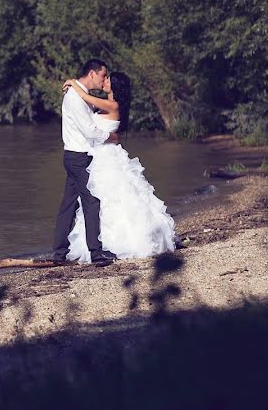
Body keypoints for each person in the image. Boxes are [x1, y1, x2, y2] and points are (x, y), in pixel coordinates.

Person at [63, 71, 177, 263]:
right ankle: (98, 244)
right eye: (104, 77)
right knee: (102, 200)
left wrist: (73, 83)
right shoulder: (107, 104)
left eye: (108, 79)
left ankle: (112, 244)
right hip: (100, 156)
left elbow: (84, 96)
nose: (104, 81)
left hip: (106, 158)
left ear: (114, 85)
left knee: (108, 198)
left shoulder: (112, 105)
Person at [44, 59, 121, 266]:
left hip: (76, 156)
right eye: (103, 75)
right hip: (78, 157)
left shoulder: (81, 94)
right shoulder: (75, 98)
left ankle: (59, 254)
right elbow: (90, 131)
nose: (105, 79)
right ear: (92, 73)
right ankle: (96, 253)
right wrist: (111, 137)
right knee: (91, 201)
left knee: (68, 205)